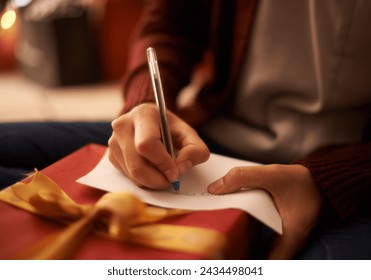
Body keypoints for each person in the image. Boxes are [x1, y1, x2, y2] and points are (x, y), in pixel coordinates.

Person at [1, 0, 370, 259]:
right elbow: (169, 23)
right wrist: (143, 103)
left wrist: (327, 181)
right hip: (203, 136)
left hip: (350, 177)